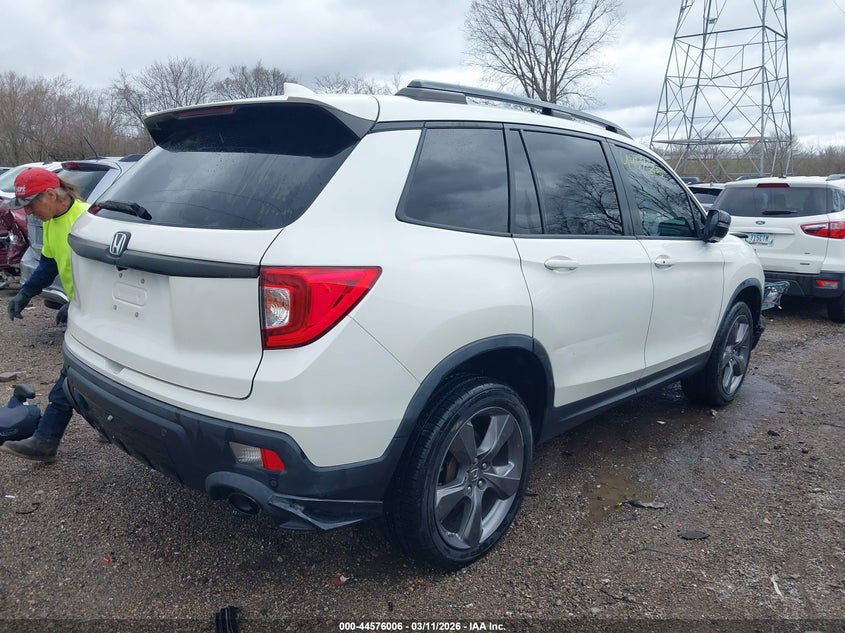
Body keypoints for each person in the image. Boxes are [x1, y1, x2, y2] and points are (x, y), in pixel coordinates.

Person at [1, 167, 89, 462]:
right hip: (83, 312)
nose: (29, 212)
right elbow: (49, 265)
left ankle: (46, 440)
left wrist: (82, 302)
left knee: (72, 376)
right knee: (83, 375)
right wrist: (25, 293)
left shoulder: (90, 220)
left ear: (51, 195)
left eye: (32, 205)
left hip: (98, 314)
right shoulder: (52, 221)